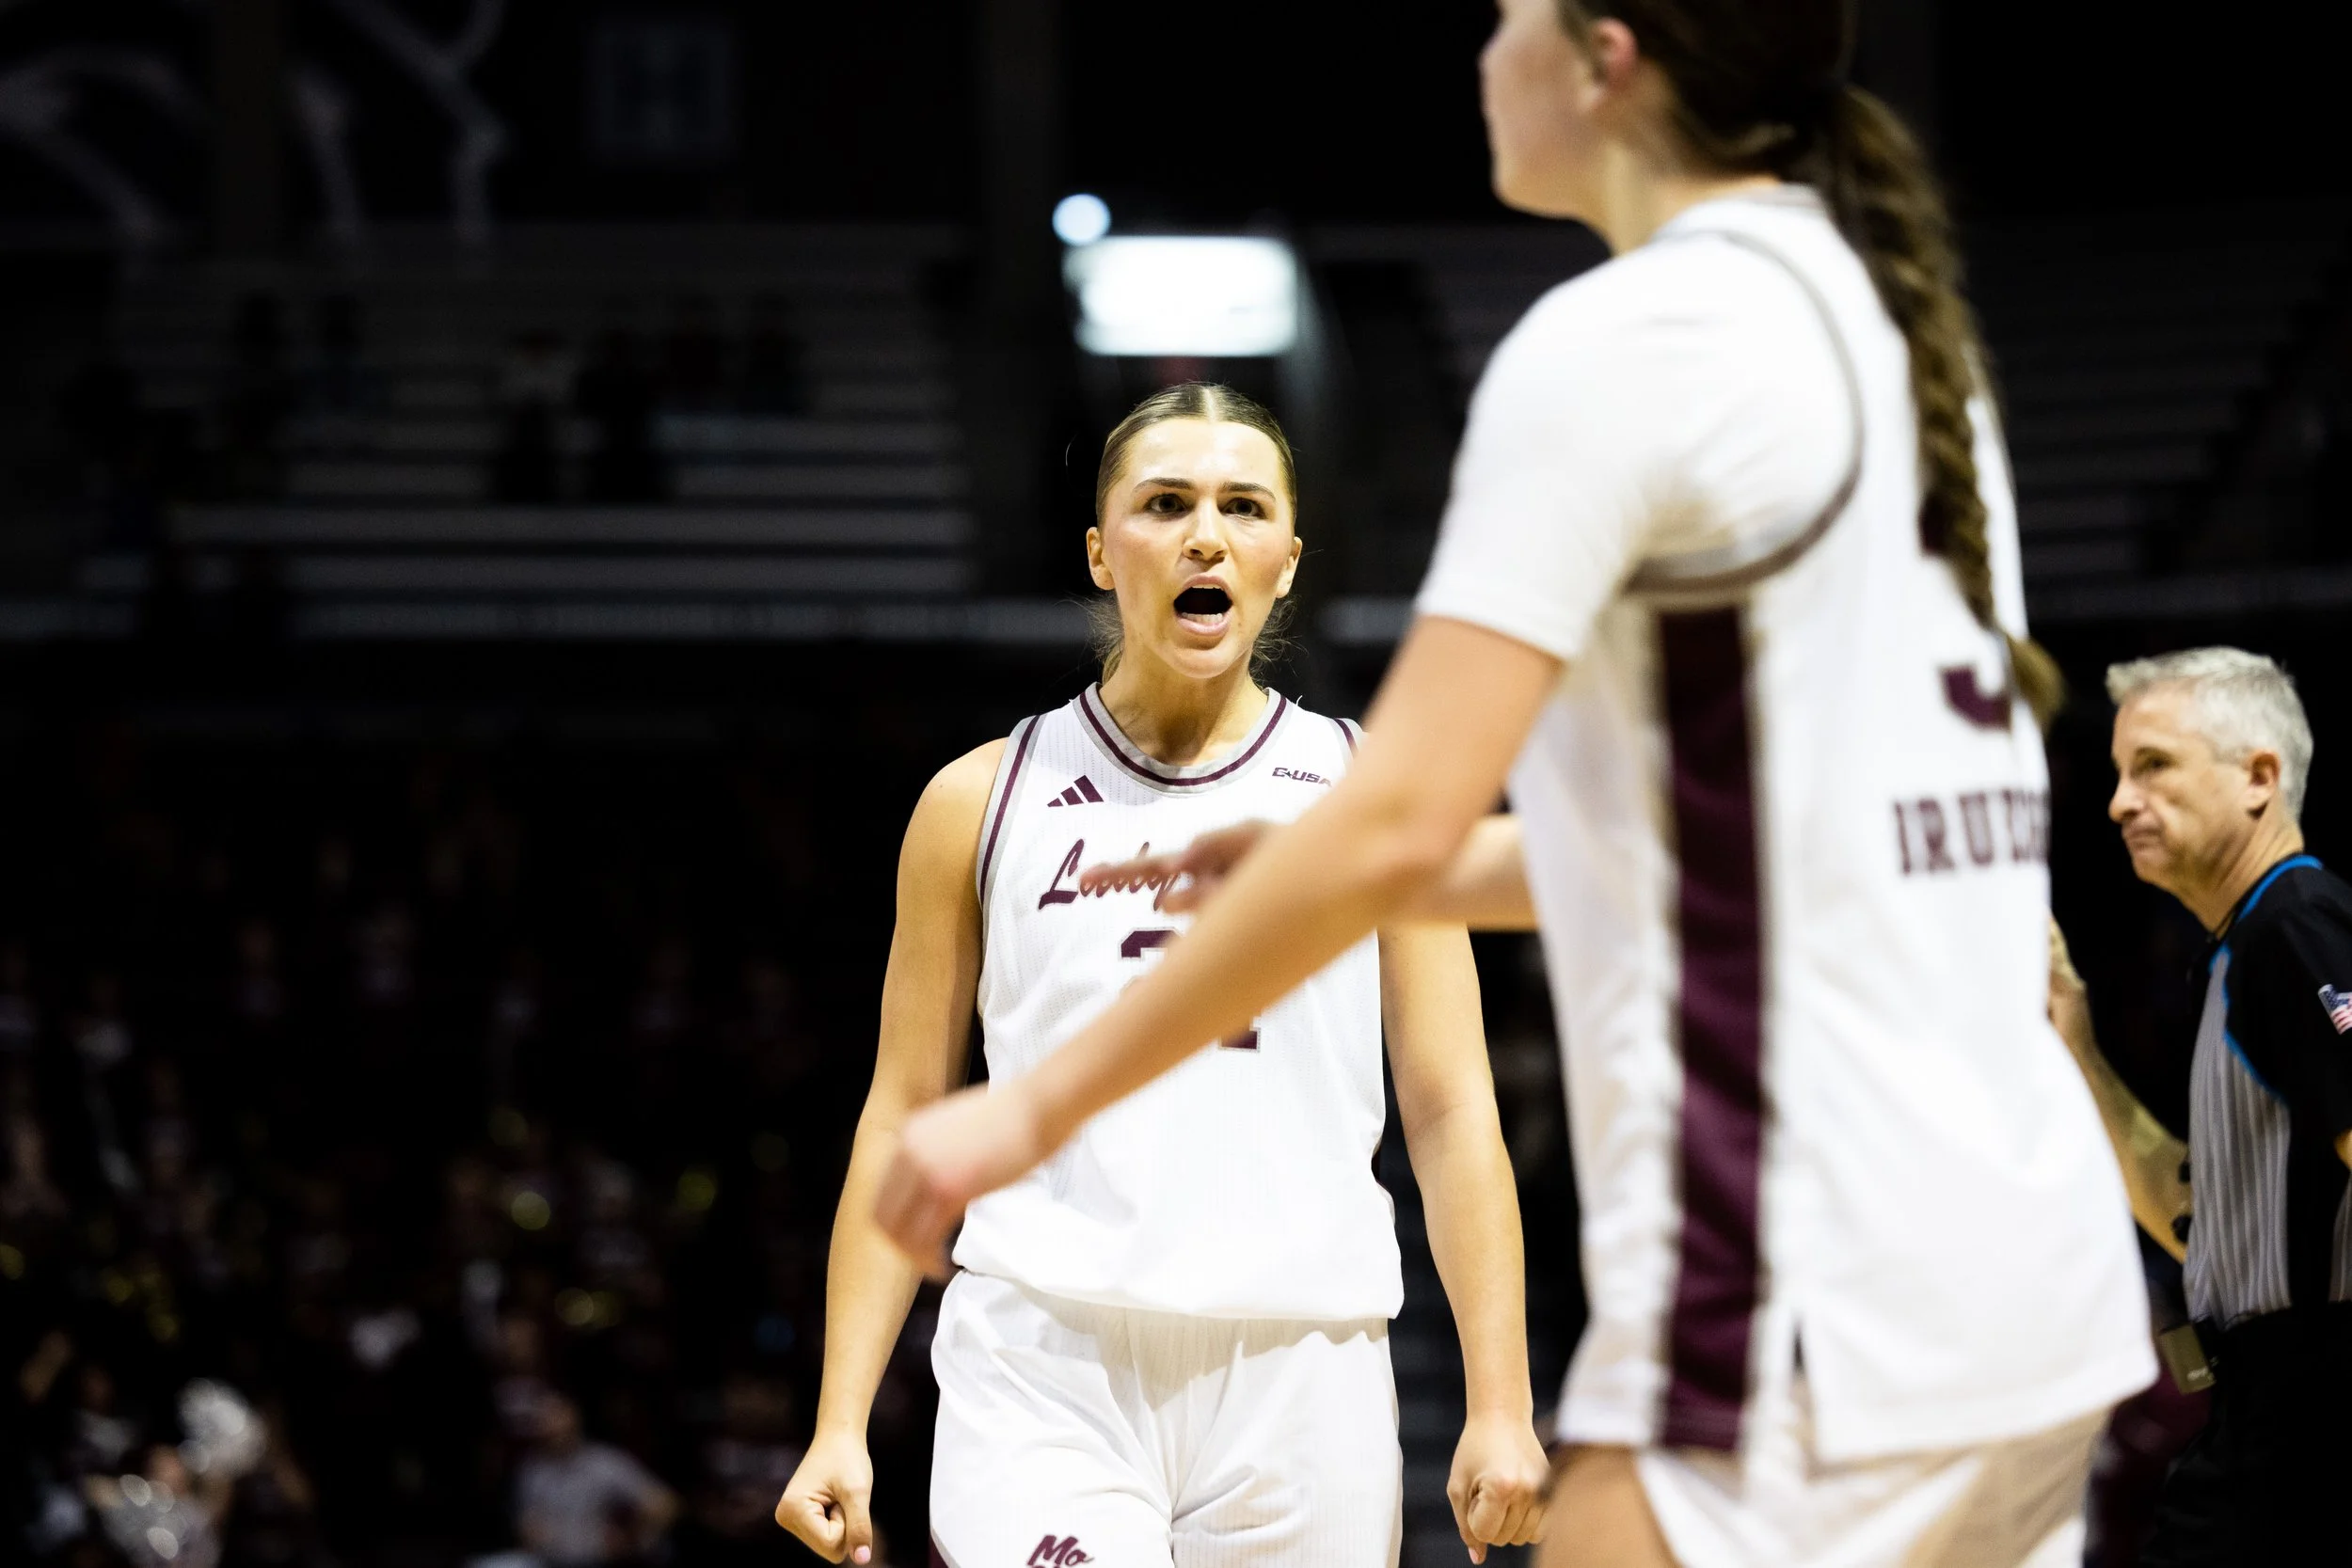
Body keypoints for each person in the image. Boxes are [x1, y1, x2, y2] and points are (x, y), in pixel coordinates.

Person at [870, 2, 2158, 1564]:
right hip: (2042, 1279)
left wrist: (1025, 1115)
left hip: (1821, 1270)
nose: (1478, 57)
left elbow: (1402, 805)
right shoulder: (1904, 336)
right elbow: (1745, 834)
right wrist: (1393, 872)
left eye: (1501, 22)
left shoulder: (1623, 344)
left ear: (1605, 56)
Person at [774, 383, 1549, 1568]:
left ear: (1285, 560)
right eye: (1165, 503)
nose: (1205, 534)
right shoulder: (976, 801)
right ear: (1099, 551)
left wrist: (1499, 1400)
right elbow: (904, 1111)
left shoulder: (1378, 794)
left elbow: (1449, 1112)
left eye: (1243, 507)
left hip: (1305, 1362)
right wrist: (840, 1418)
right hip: (1044, 1355)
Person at [2049, 648, 2352, 1567]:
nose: (2118, 802)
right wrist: (2076, 1046)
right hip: (2265, 1429)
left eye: (2153, 765)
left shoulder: (2294, 929)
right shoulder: (2244, 947)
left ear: (2259, 776)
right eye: (2115, 773)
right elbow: (2200, 1223)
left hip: (2310, 1440)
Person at [514, 1393, 677, 1568]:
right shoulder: (532, 1469)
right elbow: (527, 1521)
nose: (550, 1425)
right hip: (550, 1560)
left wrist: (631, 1539)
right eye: (543, 1419)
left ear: (574, 1417)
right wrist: (530, 1531)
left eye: (556, 1415)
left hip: (600, 1561)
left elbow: (665, 1504)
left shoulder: (604, 1463)